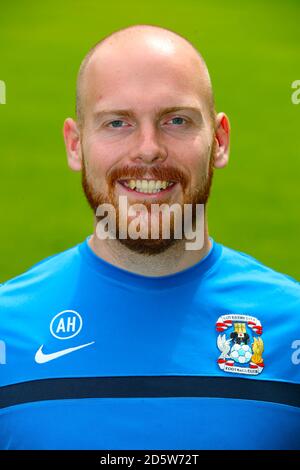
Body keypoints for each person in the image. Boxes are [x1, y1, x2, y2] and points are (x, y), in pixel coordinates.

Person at [0, 24, 299, 450]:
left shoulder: (293, 329)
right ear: (74, 143)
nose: (148, 149)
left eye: (176, 120)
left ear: (219, 140)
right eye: (117, 122)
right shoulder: (6, 332)